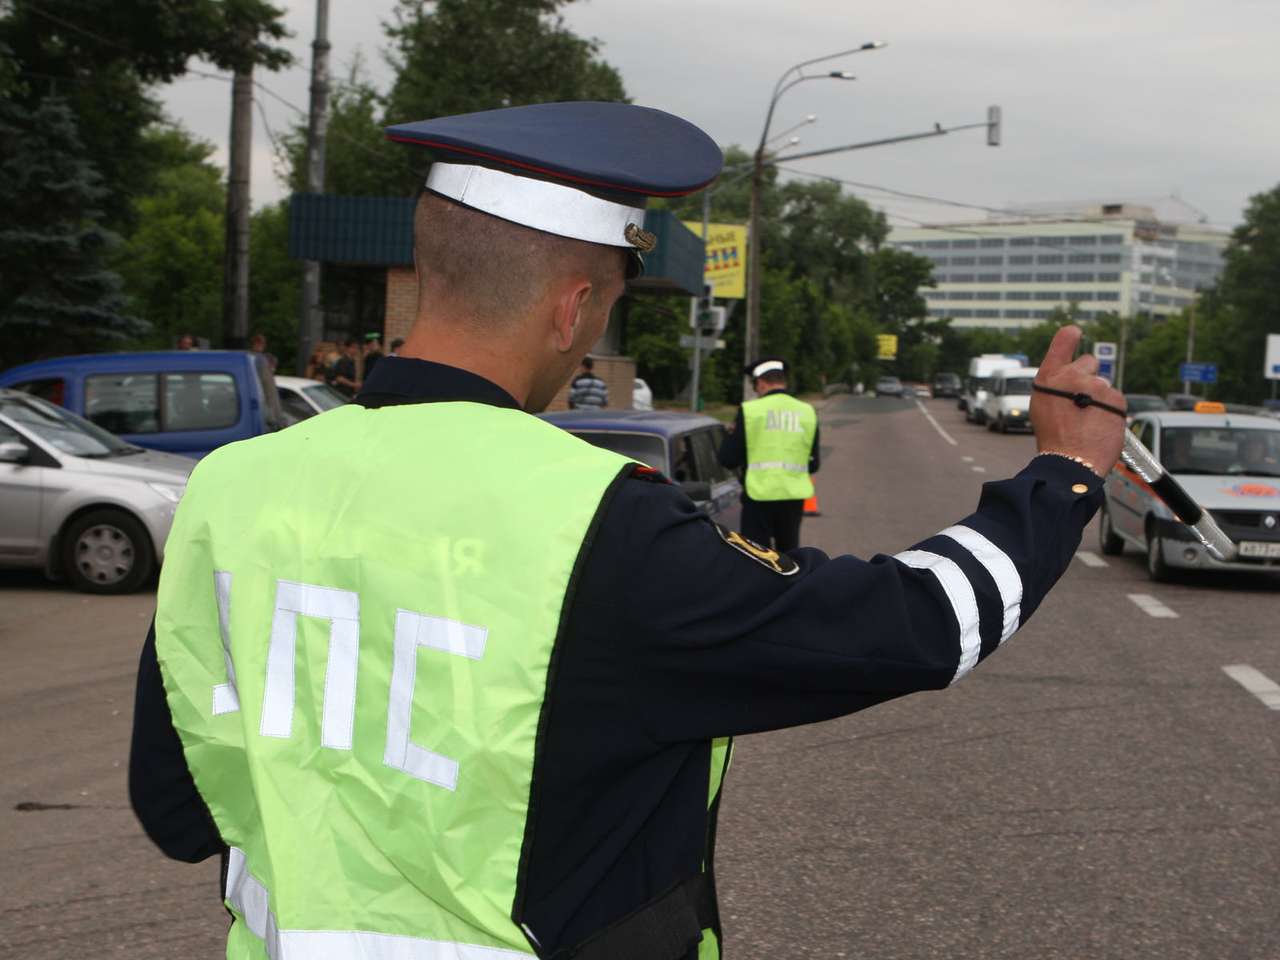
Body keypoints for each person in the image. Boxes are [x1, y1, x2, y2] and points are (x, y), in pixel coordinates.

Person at [129, 101, 1125, 960]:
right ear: (572, 310)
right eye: (607, 303)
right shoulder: (596, 521)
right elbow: (920, 621)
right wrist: (1062, 476)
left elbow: (176, 812)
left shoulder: (230, 487)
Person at [717, 358, 820, 552]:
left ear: (761, 382)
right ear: (783, 381)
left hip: (758, 497)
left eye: (755, 385)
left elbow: (727, 459)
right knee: (788, 559)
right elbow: (813, 464)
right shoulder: (807, 412)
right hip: (793, 498)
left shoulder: (750, 411)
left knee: (756, 559)